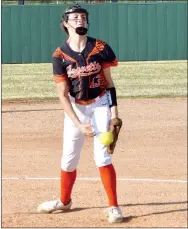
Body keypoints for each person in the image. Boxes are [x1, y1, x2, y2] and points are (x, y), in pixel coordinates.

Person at [37, 4, 123, 223]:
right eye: (74, 17)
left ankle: (113, 207)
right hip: (76, 108)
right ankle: (64, 202)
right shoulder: (59, 55)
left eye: (83, 17)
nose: (80, 20)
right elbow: (63, 95)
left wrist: (114, 115)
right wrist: (79, 123)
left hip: (101, 103)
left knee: (102, 156)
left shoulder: (100, 47)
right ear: (65, 23)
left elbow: (110, 83)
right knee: (68, 160)